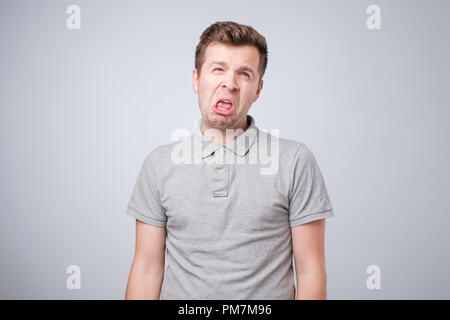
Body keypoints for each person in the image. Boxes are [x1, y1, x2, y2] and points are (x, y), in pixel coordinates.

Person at [124, 21, 335, 300]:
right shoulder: (159, 164)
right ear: (196, 79)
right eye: (218, 69)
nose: (230, 83)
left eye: (244, 74)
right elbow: (147, 269)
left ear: (258, 90)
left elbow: (311, 272)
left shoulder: (295, 161)